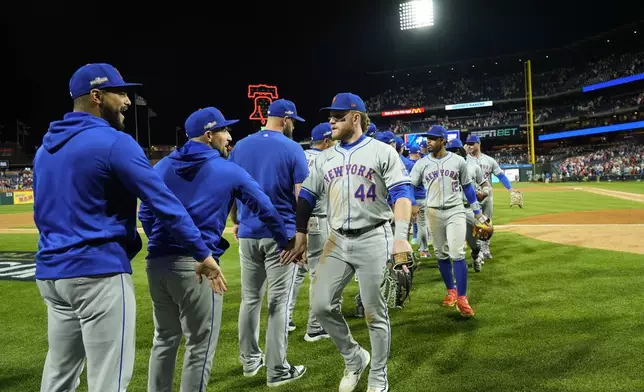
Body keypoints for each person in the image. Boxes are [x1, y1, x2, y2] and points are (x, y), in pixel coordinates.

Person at [32, 63, 221, 392]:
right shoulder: (113, 142)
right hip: (97, 275)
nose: (128, 101)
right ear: (96, 96)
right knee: (110, 380)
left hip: (51, 276)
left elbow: (42, 211)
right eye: (120, 93)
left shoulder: (44, 150)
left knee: (59, 376)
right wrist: (202, 252)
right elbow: (164, 203)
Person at [139, 107, 291, 392]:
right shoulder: (229, 169)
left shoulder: (160, 167)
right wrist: (285, 242)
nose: (228, 136)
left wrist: (163, 242)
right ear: (208, 135)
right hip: (198, 265)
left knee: (164, 340)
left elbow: (146, 213)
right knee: (199, 346)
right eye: (224, 130)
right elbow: (267, 209)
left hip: (157, 264)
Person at [282, 92, 414, 392]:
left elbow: (403, 193)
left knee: (373, 312)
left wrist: (401, 238)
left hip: (374, 236)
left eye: (338, 116)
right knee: (320, 306)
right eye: (331, 115)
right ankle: (355, 357)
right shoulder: (326, 157)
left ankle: (378, 375)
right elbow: (307, 195)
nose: (331, 120)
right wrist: (300, 232)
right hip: (336, 238)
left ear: (356, 118)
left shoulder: (382, 152)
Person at [228, 99, 308, 387]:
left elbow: (231, 188)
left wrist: (237, 220)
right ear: (285, 120)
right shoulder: (292, 147)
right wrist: (303, 234)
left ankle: (249, 361)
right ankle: (277, 370)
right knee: (278, 303)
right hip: (281, 237)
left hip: (248, 233)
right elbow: (301, 196)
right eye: (293, 121)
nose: (293, 126)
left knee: (250, 299)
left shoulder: (240, 146)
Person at [410, 126, 483, 317]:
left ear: (443, 140)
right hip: (433, 212)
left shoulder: (458, 161)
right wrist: (411, 203)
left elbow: (467, 187)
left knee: (457, 252)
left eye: (433, 139)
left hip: (455, 210)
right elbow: (411, 186)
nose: (429, 142)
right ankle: (451, 290)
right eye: (428, 138)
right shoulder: (421, 164)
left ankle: (462, 297)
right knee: (441, 253)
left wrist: (476, 211)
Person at [288, 122, 335, 342]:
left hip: (294, 220)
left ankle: (286, 319)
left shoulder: (299, 155)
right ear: (326, 141)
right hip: (318, 222)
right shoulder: (326, 159)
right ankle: (316, 327)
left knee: (296, 273)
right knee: (320, 273)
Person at [465, 135, 516, 260]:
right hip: (472, 197)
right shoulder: (464, 160)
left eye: (472, 143)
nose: (470, 146)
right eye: (468, 144)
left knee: (487, 224)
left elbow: (501, 176)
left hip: (487, 197)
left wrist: (510, 189)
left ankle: (485, 248)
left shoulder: (489, 160)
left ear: (479, 143)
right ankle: (477, 250)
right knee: (473, 225)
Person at [446, 139, 491, 272]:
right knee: (451, 242)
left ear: (462, 150)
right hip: (452, 209)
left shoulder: (472, 167)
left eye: (456, 150)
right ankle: (454, 270)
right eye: (451, 150)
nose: (454, 153)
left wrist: (485, 192)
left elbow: (484, 183)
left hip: (469, 209)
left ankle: (476, 255)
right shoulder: (444, 168)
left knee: (474, 243)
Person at [408, 145, 430, 258]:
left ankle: (404, 253)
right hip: (420, 198)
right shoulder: (421, 164)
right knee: (422, 225)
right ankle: (423, 250)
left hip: (405, 199)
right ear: (417, 153)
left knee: (405, 226)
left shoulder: (404, 163)